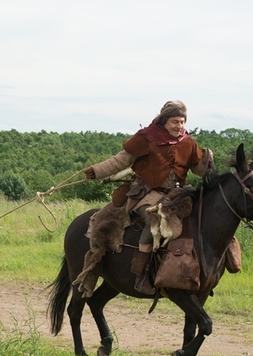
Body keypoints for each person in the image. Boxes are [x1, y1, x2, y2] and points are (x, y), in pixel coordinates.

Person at [83, 100, 214, 295]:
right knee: (153, 221)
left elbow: (198, 170)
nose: (179, 126)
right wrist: (96, 171)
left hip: (176, 194)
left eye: (182, 122)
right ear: (164, 122)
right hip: (146, 194)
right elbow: (120, 160)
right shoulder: (146, 138)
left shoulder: (187, 142)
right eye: (175, 122)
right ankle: (141, 275)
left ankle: (192, 272)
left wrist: (207, 162)